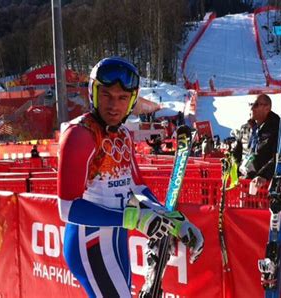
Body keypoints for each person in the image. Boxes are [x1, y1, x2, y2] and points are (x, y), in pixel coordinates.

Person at [57, 57, 204, 297]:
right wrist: (135, 219)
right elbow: (67, 209)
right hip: (89, 243)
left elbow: (137, 186)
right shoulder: (79, 135)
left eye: (122, 98)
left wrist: (175, 220)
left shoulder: (124, 134)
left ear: (132, 101)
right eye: (106, 95)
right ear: (93, 94)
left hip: (116, 239)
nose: (114, 105)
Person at [232, 93, 280, 191]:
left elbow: (279, 156)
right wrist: (234, 173)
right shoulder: (245, 128)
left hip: (265, 184)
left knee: (262, 206)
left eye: (255, 105)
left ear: (267, 108)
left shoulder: (278, 129)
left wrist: (263, 176)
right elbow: (237, 154)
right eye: (250, 104)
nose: (251, 108)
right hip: (245, 181)